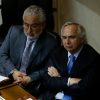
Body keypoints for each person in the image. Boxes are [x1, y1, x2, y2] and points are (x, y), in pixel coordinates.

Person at [0, 5, 59, 97]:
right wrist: (13, 71)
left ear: (43, 25)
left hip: (29, 84)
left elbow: (48, 68)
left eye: (34, 26)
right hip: (7, 77)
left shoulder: (51, 42)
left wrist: (29, 78)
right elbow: (2, 54)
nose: (29, 30)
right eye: (26, 25)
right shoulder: (14, 31)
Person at [41, 22, 100, 100]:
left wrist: (59, 78)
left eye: (71, 37)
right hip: (53, 96)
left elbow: (85, 89)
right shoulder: (57, 52)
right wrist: (70, 81)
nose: (67, 42)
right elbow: (46, 81)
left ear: (82, 38)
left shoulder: (94, 58)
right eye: (64, 38)